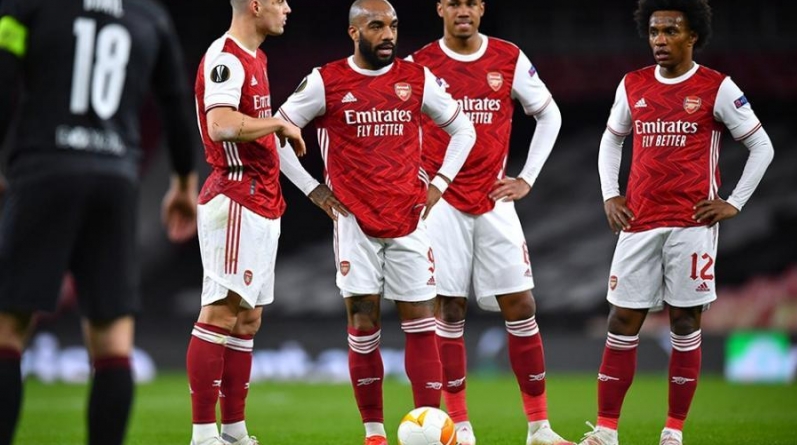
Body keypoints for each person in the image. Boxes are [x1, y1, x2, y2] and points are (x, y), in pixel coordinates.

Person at [276, 1, 476, 444]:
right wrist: (312, 189)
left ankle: (429, 428)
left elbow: (464, 129)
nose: (388, 34)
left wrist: (441, 182)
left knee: (421, 321)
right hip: (354, 222)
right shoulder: (326, 81)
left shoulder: (417, 79)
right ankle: (374, 434)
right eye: (376, 26)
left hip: (409, 217)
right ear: (354, 32)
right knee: (364, 322)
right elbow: (278, 133)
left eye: (393, 26)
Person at [0, 0, 199, 443]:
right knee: (112, 340)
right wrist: (184, 182)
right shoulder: (149, 15)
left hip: (43, 169)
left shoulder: (27, 7)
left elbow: (4, 77)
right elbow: (174, 101)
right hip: (115, 179)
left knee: (8, 328)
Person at [579, 1, 775, 445]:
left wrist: (733, 202)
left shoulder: (717, 87)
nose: (660, 40)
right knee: (621, 320)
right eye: (654, 32)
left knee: (685, 323)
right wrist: (610, 193)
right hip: (639, 222)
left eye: (671, 31)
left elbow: (762, 146)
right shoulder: (633, 84)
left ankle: (673, 431)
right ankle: (606, 431)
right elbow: (612, 139)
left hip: (691, 225)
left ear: (693, 36)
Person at [407, 1, 571, 444]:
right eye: (454, 2)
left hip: (494, 196)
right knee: (449, 309)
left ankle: (539, 427)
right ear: (440, 8)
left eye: (471, 2)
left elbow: (549, 114)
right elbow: (399, 126)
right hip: (442, 202)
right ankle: (459, 426)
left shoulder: (508, 57)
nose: (463, 10)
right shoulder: (420, 63)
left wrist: (527, 177)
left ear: (481, 8)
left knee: (521, 304)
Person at [187, 1, 307, 445]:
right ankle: (203, 435)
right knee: (220, 311)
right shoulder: (226, 58)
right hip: (236, 194)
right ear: (256, 5)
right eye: (279, 1)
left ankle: (234, 432)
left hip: (262, 199)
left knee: (247, 319)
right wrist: (277, 124)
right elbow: (220, 124)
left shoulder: (257, 56)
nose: (287, 8)